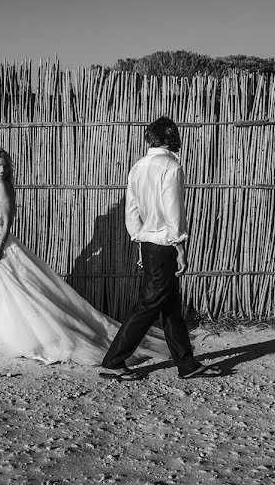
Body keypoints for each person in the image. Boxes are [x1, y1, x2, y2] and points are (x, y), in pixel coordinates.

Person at [0, 147, 169, 366]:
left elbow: (8, 220)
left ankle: (27, 335)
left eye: (5, 167)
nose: (2, 170)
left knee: (15, 289)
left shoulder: (3, 187)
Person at [100, 117, 219, 381]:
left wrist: (140, 239)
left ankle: (187, 365)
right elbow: (173, 212)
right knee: (149, 305)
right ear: (172, 138)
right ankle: (113, 361)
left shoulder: (138, 167)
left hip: (148, 243)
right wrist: (180, 248)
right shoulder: (171, 167)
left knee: (171, 307)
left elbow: (131, 211)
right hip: (165, 245)